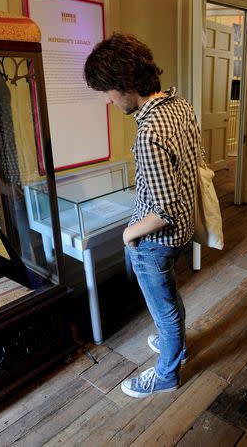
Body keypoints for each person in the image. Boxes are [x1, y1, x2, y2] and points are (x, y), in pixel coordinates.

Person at [84, 33, 200, 398]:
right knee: (168, 299)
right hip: (183, 232)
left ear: (125, 84)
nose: (107, 99)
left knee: (163, 310)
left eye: (107, 91)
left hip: (157, 241)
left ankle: (166, 374)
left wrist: (128, 234)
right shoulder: (178, 104)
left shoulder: (149, 133)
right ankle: (175, 343)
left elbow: (163, 210)